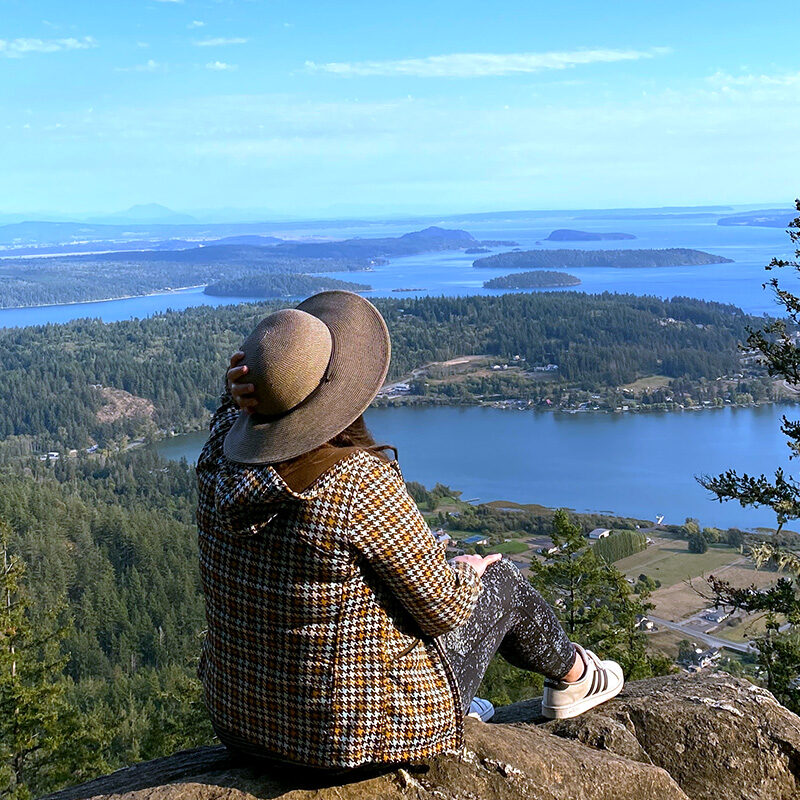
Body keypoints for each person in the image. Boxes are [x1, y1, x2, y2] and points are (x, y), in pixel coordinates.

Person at [196, 290, 623, 772]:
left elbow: (227, 415)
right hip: (346, 740)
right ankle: (577, 676)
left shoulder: (218, 459)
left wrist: (255, 384)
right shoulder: (354, 481)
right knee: (499, 582)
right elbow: (442, 609)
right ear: (341, 391)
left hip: (242, 723)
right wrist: (467, 572)